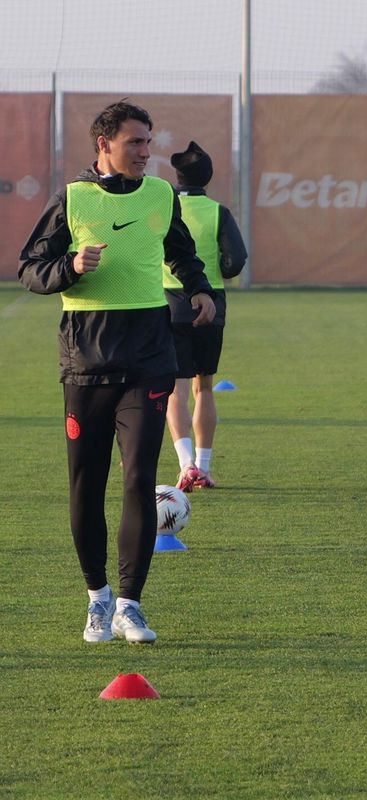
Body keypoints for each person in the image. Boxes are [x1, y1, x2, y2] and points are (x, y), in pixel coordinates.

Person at [18, 100, 216, 645]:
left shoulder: (161, 195)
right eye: (135, 143)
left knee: (137, 481)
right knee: (86, 487)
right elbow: (30, 268)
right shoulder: (74, 198)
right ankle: (97, 600)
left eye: (149, 143)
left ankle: (130, 605)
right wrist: (70, 267)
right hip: (86, 362)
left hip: (149, 359)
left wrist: (198, 287)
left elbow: (181, 251)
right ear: (103, 145)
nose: (146, 153)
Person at [164, 141, 247, 492]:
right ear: (208, 177)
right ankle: (205, 467)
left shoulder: (163, 208)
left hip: (168, 301)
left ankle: (186, 465)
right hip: (211, 301)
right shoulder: (218, 212)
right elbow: (236, 260)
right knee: (205, 387)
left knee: (174, 390)